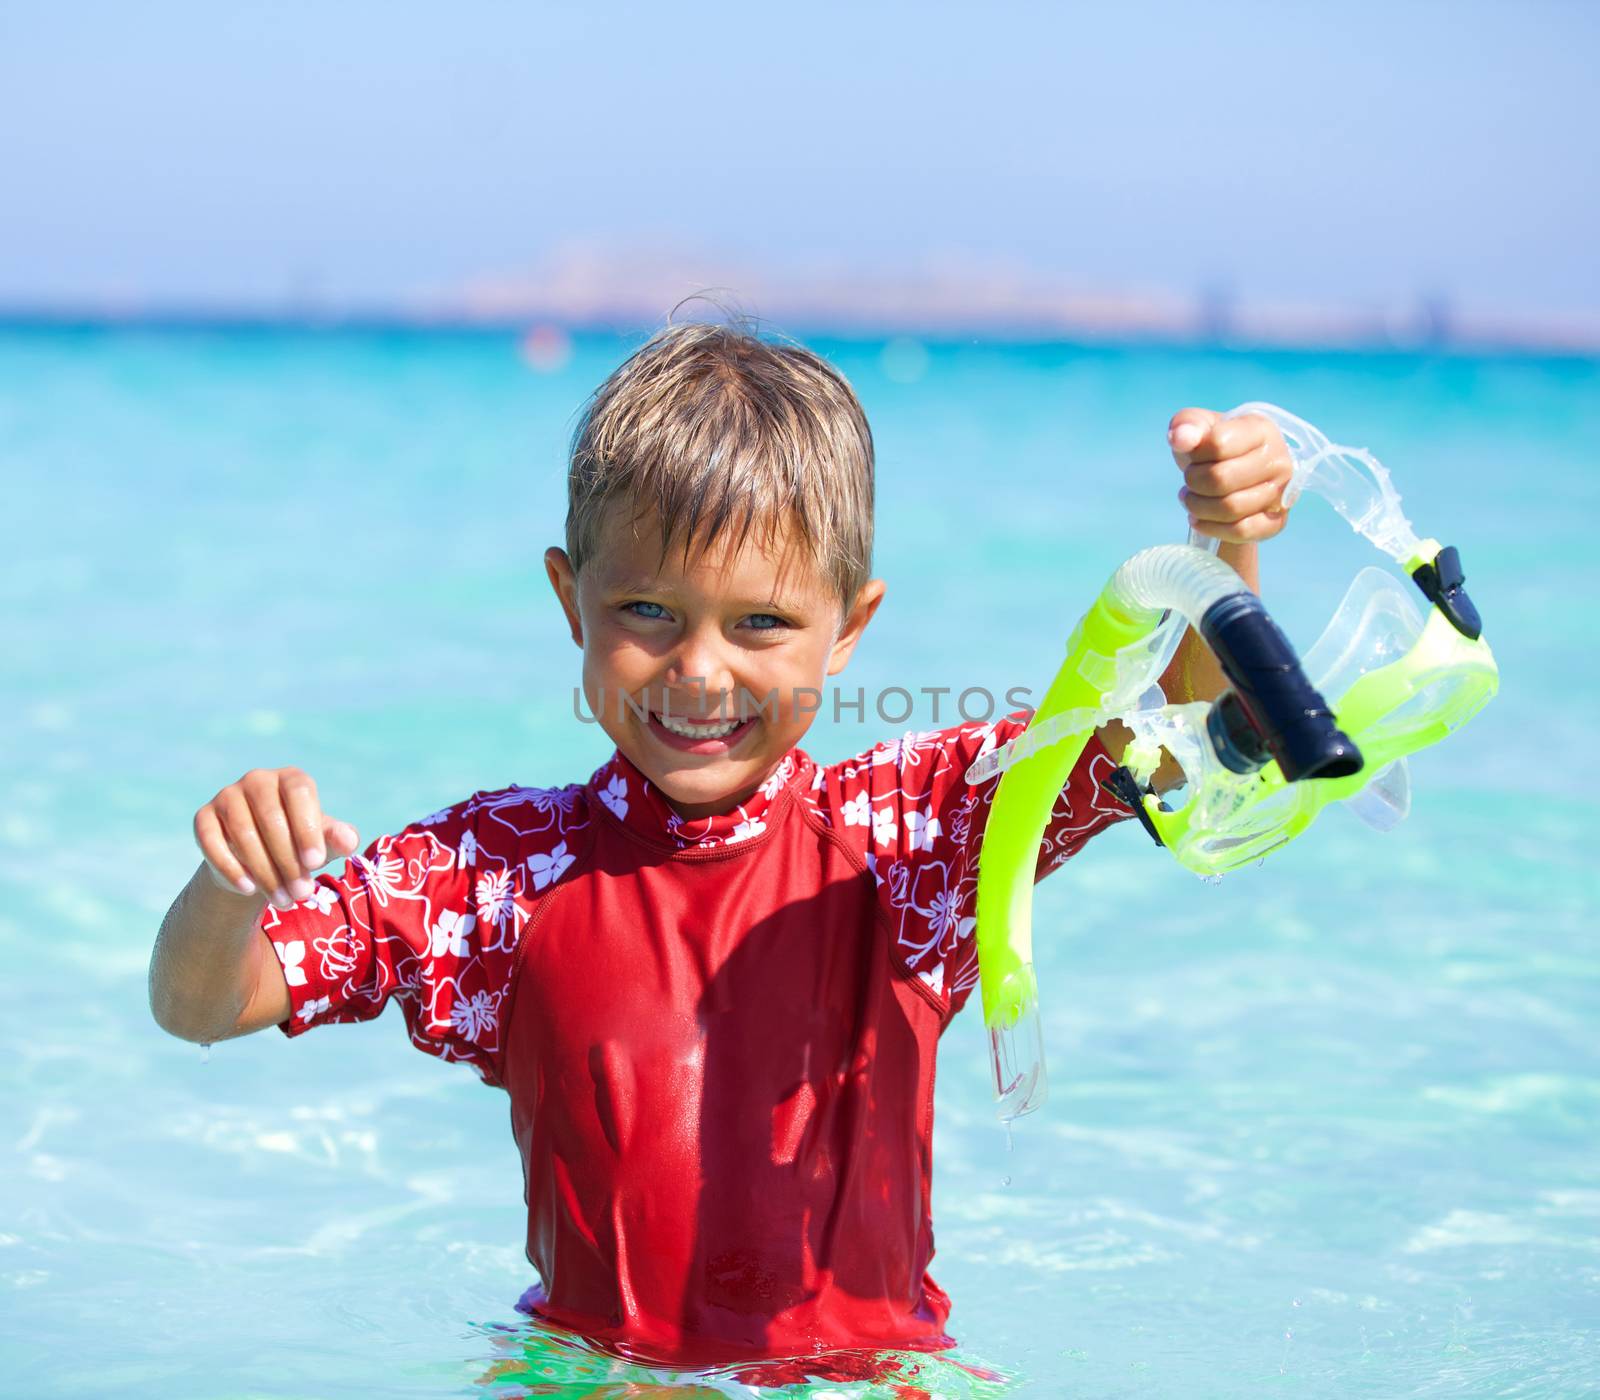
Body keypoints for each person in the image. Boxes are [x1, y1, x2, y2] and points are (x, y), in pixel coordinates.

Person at [148, 317, 1292, 1377]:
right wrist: (230, 882)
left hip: (870, 1377)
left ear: (849, 627)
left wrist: (1223, 538)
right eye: (647, 611)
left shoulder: (914, 835)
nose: (699, 671)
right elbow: (202, 1004)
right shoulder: (494, 873)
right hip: (596, 1377)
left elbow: (1193, 734)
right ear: (569, 598)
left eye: (760, 622)